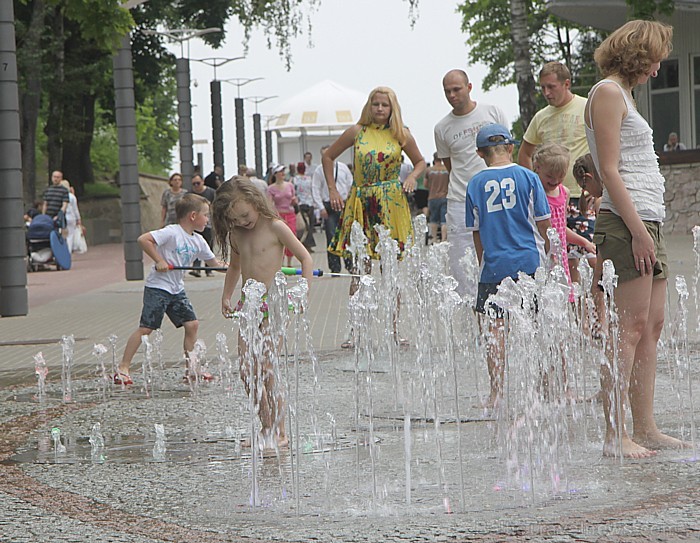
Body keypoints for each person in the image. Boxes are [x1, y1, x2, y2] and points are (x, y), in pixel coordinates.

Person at [585, 19, 687, 458]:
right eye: (655, 56)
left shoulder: (623, 95)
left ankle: (645, 427)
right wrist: (639, 233)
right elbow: (609, 169)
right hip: (628, 225)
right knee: (626, 331)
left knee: (651, 328)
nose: (658, 65)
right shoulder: (608, 92)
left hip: (648, 221)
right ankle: (615, 434)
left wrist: (649, 229)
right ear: (636, 53)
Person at [213, 178, 313, 449]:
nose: (244, 222)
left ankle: (280, 431)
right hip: (249, 307)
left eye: (245, 215)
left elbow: (305, 258)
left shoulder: (275, 227)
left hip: (274, 306)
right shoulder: (236, 234)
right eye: (235, 219)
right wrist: (226, 294)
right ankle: (265, 426)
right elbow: (235, 267)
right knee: (247, 369)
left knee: (267, 368)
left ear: (256, 202)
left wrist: (303, 290)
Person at [325, 86, 426, 347]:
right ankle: (355, 331)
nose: (380, 109)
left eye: (385, 105)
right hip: (361, 200)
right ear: (369, 107)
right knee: (360, 270)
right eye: (375, 104)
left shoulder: (401, 134)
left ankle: (394, 329)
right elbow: (328, 156)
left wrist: (413, 178)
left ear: (393, 108)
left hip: (391, 202)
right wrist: (333, 188)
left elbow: (420, 162)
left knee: (390, 270)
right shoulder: (357, 132)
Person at [466, 123, 552, 408]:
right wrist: (550, 256)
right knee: (538, 325)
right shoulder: (528, 177)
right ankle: (544, 385)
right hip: (528, 261)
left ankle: (496, 393)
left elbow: (476, 232)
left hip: (495, 265)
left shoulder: (475, 184)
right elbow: (544, 224)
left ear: (480, 153)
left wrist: (484, 263)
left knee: (495, 330)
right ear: (511, 147)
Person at [114, 194, 225, 386]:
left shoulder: (199, 241)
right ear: (193, 216)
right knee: (146, 328)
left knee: (192, 325)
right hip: (158, 287)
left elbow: (214, 264)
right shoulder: (172, 232)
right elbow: (143, 240)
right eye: (205, 215)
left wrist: (235, 267)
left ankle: (192, 368)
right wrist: (159, 260)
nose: (208, 220)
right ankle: (123, 368)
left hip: (176, 290)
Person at [434, 69, 508, 296]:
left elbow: (507, 150)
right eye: (447, 91)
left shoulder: (492, 112)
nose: (452, 95)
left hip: (496, 195)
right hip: (460, 199)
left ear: (469, 87)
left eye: (456, 89)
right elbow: (450, 165)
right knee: (463, 265)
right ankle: (473, 318)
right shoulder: (442, 127)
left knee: (501, 254)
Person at [518, 61, 590, 285]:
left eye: (552, 87)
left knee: (583, 260)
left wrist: (599, 188)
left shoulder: (586, 107)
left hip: (580, 195)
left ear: (566, 84)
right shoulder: (541, 117)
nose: (547, 93)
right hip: (547, 201)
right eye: (543, 88)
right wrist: (534, 185)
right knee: (553, 260)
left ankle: (585, 318)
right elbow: (525, 153)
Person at [531, 143, 595, 301]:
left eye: (561, 176)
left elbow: (561, 228)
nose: (555, 181)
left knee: (563, 297)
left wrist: (584, 242)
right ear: (537, 167)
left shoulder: (564, 193)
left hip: (560, 256)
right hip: (540, 254)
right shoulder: (533, 193)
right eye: (550, 176)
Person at [311, 145, 353, 274]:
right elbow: (315, 188)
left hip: (343, 204)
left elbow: (350, 184)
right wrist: (321, 207)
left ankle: (349, 264)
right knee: (331, 236)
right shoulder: (319, 171)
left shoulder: (343, 168)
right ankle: (335, 267)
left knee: (347, 235)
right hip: (328, 206)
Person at [267, 164, 298, 267]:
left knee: (291, 236)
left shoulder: (290, 185)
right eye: (280, 171)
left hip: (290, 214)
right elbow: (269, 204)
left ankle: (289, 263)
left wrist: (294, 201)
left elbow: (294, 198)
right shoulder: (271, 188)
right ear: (275, 174)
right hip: (279, 216)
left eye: (284, 171)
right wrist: (273, 214)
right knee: (280, 239)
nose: (283, 173)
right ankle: (281, 263)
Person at [189, 174, 217, 277]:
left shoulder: (211, 192)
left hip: (208, 223)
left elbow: (216, 206)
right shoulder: (190, 194)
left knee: (208, 245)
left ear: (203, 182)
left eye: (198, 183)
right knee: (195, 245)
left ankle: (208, 269)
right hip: (194, 224)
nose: (196, 185)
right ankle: (196, 269)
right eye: (194, 184)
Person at [425, 153, 449, 243]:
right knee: (444, 220)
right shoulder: (447, 170)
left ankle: (433, 239)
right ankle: (444, 240)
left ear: (434, 159)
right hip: (445, 196)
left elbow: (425, 184)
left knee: (433, 219)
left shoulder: (429, 170)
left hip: (433, 197)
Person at [293, 161, 316, 252]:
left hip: (300, 204)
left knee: (303, 226)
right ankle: (308, 244)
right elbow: (313, 190)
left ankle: (302, 243)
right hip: (310, 204)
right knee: (310, 225)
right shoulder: (309, 179)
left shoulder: (295, 179)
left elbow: (294, 191)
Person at [59, 180, 84, 254]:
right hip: (71, 218)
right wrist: (78, 219)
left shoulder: (59, 195)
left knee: (62, 235)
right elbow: (75, 209)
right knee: (70, 236)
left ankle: (62, 251)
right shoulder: (72, 197)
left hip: (62, 217)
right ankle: (68, 252)